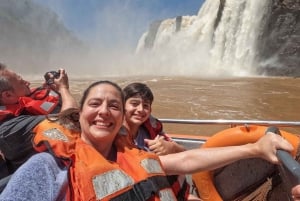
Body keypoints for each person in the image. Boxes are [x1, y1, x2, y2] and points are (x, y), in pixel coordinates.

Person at [0, 80, 295, 201]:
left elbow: (186, 160)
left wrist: (255, 148)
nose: (105, 112)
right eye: (95, 104)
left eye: (113, 105)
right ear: (79, 115)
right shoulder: (47, 169)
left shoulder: (131, 156)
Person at [122, 82, 199, 200]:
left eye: (146, 106)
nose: (140, 109)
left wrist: (171, 148)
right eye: (134, 104)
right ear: (122, 105)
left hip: (172, 193)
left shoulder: (153, 131)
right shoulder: (112, 135)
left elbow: (184, 154)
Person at [0, 62, 78, 176]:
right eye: (22, 82)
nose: (28, 83)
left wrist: (55, 91)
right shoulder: (9, 127)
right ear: (7, 95)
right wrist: (64, 88)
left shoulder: (17, 106)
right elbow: (72, 120)